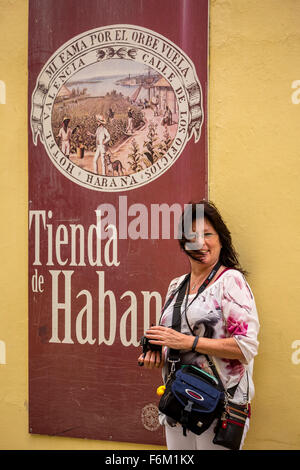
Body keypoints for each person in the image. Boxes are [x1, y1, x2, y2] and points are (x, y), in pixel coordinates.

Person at [138, 200, 260, 450]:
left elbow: (246, 347)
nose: (201, 243)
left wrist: (189, 342)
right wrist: (156, 354)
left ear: (221, 239)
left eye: (208, 235)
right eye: (192, 237)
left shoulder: (231, 281)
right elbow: (177, 344)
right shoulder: (176, 285)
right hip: (179, 402)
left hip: (220, 408)